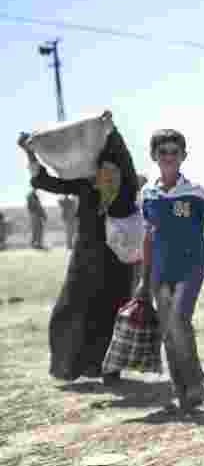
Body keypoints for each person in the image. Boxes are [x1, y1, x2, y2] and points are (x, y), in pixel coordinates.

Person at [18, 118, 139, 383]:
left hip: (113, 254)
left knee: (110, 307)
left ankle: (106, 368)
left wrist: (110, 130)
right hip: (91, 254)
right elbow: (42, 181)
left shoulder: (125, 179)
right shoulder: (87, 182)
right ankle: (78, 366)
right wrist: (30, 152)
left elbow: (121, 157)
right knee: (81, 306)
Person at [138, 129, 204, 410]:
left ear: (183, 156)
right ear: (154, 156)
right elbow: (147, 237)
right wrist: (144, 280)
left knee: (179, 321)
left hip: (190, 268)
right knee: (168, 332)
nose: (169, 157)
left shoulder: (196, 192)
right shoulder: (147, 194)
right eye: (163, 152)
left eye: (174, 152)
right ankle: (180, 388)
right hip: (160, 272)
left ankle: (195, 384)